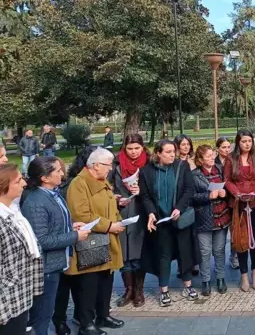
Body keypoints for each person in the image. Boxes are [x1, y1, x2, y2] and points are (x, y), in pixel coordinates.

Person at [21, 157, 88, 335]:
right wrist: (74, 236)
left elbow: (54, 224)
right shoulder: (36, 202)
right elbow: (42, 239)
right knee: (41, 315)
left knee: (45, 312)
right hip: (46, 268)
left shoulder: (54, 194)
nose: (62, 173)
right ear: (44, 177)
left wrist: (70, 226)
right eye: (57, 170)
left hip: (55, 264)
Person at [66, 147, 125, 335]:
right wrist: (110, 226)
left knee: (106, 280)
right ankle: (86, 323)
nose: (111, 169)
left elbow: (104, 205)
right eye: (108, 165)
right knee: (88, 285)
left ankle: (103, 314)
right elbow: (81, 214)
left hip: (107, 240)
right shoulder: (79, 183)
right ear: (95, 165)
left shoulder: (101, 180)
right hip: (91, 243)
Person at [140, 139, 198, 307]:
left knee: (184, 252)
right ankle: (163, 290)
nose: (172, 154)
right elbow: (145, 196)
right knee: (163, 255)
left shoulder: (182, 166)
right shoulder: (146, 171)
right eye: (168, 152)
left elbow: (189, 189)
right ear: (158, 153)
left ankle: (188, 285)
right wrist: (151, 212)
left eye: (173, 151)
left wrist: (179, 208)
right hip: (161, 221)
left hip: (179, 219)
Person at [52, 146, 98, 335]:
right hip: (65, 241)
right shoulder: (71, 185)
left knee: (80, 281)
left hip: (78, 237)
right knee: (64, 285)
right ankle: (59, 319)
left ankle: (81, 315)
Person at [0, 164, 43, 334]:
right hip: (7, 303)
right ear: (4, 186)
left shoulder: (13, 212)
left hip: (19, 297)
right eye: (18, 181)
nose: (24, 183)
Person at [107, 134, 148, 308]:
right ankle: (128, 289)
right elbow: (107, 187)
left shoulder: (149, 163)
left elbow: (155, 188)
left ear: (142, 148)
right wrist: (115, 198)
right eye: (130, 148)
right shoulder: (116, 164)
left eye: (137, 148)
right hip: (122, 212)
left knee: (139, 253)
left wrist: (142, 191)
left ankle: (139, 290)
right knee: (124, 253)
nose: (133, 152)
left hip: (142, 212)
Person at [224, 130, 255, 292]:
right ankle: (244, 276)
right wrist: (237, 193)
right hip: (238, 204)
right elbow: (226, 179)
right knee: (241, 240)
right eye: (243, 141)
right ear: (238, 142)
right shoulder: (230, 159)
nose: (247, 144)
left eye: (249, 141)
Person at [192, 144, 230, 296]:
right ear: (200, 160)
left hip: (221, 215)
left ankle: (221, 278)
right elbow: (191, 197)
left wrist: (224, 193)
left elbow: (228, 188)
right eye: (208, 156)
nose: (212, 158)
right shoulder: (194, 175)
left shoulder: (219, 170)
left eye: (212, 155)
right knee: (205, 251)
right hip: (204, 218)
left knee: (219, 250)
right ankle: (205, 281)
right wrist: (207, 196)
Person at [214, 138, 239, 271]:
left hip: (232, 199)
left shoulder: (233, 160)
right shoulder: (214, 162)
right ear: (217, 148)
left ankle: (234, 257)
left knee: (235, 232)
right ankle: (220, 260)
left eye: (228, 147)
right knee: (221, 236)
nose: (227, 150)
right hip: (218, 202)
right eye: (223, 147)